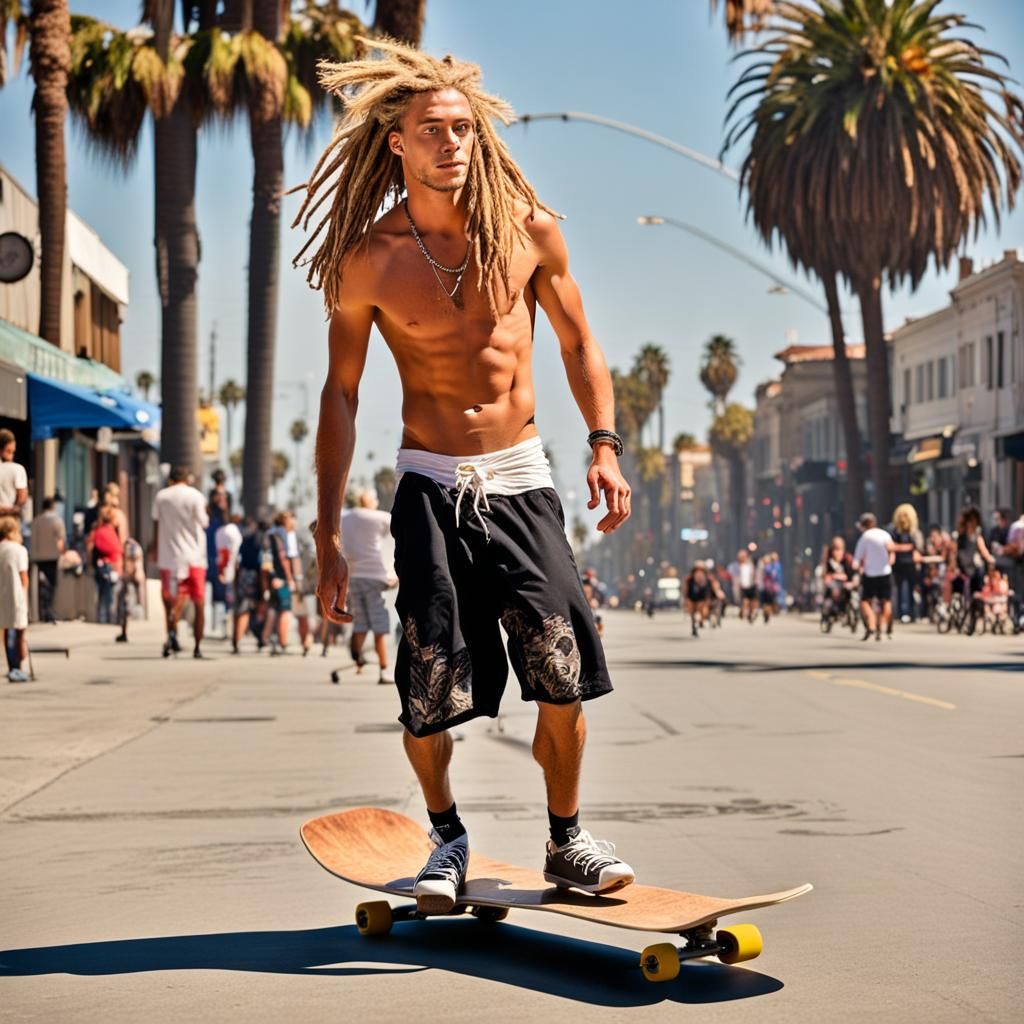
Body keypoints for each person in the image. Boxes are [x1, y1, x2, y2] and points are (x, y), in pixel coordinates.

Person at [300, 39, 634, 911]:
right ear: (397, 144)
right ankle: (445, 834)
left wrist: (603, 442)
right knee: (430, 682)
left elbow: (578, 342)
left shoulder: (527, 230)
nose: (455, 143)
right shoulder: (370, 257)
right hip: (429, 482)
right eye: (435, 131)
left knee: (564, 666)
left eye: (465, 129)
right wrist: (328, 531)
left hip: (521, 477)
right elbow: (341, 393)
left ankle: (567, 836)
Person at [152, 466, 209, 659]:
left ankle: (171, 634)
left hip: (169, 558)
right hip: (194, 557)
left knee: (171, 601)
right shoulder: (195, 496)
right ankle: (197, 647)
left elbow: (156, 523)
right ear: (187, 479)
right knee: (199, 603)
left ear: (170, 480)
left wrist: (155, 548)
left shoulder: (161, 496)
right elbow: (204, 522)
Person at [340, 491, 396, 683]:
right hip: (375, 575)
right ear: (369, 501)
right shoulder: (381, 518)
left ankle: (357, 660)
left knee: (361, 623)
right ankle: (383, 670)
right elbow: (395, 538)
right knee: (380, 624)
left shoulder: (345, 518)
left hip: (354, 575)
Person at [950, 505, 995, 628]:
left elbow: (984, 551)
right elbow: (954, 553)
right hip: (963, 566)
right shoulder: (960, 537)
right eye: (970, 521)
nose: (972, 524)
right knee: (960, 586)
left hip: (974, 567)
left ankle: (976, 607)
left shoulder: (977, 537)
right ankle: (962, 609)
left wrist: (990, 559)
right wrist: (954, 566)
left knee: (978, 582)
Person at [852, 512, 895, 641]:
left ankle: (871, 624)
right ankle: (882, 624)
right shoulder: (885, 534)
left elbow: (857, 559)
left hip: (870, 574)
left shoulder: (865, 537)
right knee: (886, 601)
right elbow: (892, 551)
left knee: (865, 601)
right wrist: (889, 562)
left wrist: (856, 567)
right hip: (885, 572)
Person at [0, 516, 29, 681]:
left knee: (6, 629)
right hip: (16, 594)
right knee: (18, 631)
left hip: (2, 594)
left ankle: (12, 665)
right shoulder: (19, 550)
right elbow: (23, 577)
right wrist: (25, 596)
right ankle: (17, 666)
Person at [232, 518, 265, 654]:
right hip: (253, 576)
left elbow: (237, 562)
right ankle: (239, 640)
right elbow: (262, 564)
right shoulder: (260, 541)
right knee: (247, 609)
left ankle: (237, 639)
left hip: (243, 575)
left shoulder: (245, 539)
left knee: (242, 608)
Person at [30, 497, 65, 623]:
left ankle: (40, 610)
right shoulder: (57, 520)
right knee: (51, 584)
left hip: (37, 557)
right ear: (53, 506)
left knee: (40, 584)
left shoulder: (35, 521)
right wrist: (62, 554)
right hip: (52, 556)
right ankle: (48, 610)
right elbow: (60, 541)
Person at [87, 504, 123, 624]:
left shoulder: (97, 531)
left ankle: (103, 617)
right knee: (111, 594)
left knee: (102, 593)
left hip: (103, 565)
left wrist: (89, 563)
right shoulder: (110, 531)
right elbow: (118, 549)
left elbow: (90, 548)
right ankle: (110, 618)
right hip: (113, 565)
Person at [889, 503, 923, 623]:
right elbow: (891, 546)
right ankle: (898, 613)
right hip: (898, 564)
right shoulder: (894, 532)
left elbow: (918, 547)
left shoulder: (914, 532)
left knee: (912, 589)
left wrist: (901, 548)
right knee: (897, 589)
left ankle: (913, 613)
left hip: (911, 565)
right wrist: (907, 547)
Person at [216, 511, 244, 641]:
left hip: (221, 567)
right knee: (232, 602)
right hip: (231, 570)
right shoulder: (234, 532)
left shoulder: (219, 532)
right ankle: (231, 630)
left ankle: (226, 629)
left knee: (224, 601)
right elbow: (233, 552)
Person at [821, 536, 856, 627]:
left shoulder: (847, 558)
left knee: (850, 593)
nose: (837, 552)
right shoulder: (828, 559)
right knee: (833, 590)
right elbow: (825, 574)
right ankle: (832, 613)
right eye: (835, 549)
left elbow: (851, 573)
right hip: (834, 584)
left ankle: (847, 613)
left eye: (839, 549)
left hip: (845, 584)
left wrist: (851, 581)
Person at [115, 536, 146, 643]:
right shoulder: (136, 548)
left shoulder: (131, 549)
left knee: (126, 606)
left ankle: (124, 632)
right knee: (127, 606)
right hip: (135, 578)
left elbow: (133, 563)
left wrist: (129, 576)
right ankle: (124, 631)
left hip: (131, 579)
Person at [0, 429, 28, 521]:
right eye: (9, 451)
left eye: (13, 452)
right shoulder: (17, 469)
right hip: (9, 520)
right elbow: (22, 497)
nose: (11, 456)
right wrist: (13, 509)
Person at [683, 563, 710, 637]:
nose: (699, 573)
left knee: (700, 611)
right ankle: (694, 626)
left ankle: (699, 622)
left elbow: (711, 588)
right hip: (691, 597)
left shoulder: (708, 578)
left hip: (701, 598)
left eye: (701, 570)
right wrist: (685, 599)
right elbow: (686, 589)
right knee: (692, 613)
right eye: (697, 570)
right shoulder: (689, 579)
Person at [734, 549, 757, 623]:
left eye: (743, 556)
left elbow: (754, 574)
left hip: (751, 585)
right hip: (742, 586)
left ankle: (751, 613)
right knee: (744, 601)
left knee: (752, 601)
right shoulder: (736, 566)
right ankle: (744, 612)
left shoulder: (750, 564)